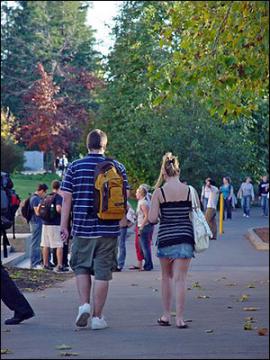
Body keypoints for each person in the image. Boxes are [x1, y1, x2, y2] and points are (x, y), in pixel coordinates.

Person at [60, 129, 129, 330]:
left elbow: (66, 198)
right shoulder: (117, 167)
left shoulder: (74, 167)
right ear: (104, 146)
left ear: (87, 145)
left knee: (81, 268)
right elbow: (124, 197)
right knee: (102, 273)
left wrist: (64, 226)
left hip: (82, 228)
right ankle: (98, 318)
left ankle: (84, 305)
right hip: (109, 230)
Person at [148, 152, 196, 329]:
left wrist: (162, 212)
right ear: (178, 170)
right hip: (185, 237)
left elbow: (152, 219)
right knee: (181, 279)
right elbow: (195, 214)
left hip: (166, 238)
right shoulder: (189, 190)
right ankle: (180, 318)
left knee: (166, 278)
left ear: (163, 173)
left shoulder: (159, 193)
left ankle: (166, 315)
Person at [40, 180, 68, 272]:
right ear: (59, 187)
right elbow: (58, 208)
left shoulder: (47, 196)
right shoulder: (58, 197)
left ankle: (45, 264)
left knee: (45, 244)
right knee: (59, 244)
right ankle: (60, 265)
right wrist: (65, 213)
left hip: (45, 223)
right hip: (55, 224)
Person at [29, 183, 48, 269]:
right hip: (36, 223)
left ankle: (37, 262)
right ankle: (34, 263)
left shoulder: (34, 198)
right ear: (41, 191)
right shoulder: (35, 199)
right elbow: (37, 212)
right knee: (35, 243)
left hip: (36, 222)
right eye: (44, 192)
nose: (45, 194)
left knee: (37, 243)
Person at [135, 185, 154, 271]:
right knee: (143, 247)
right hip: (141, 225)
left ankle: (148, 265)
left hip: (144, 227)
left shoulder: (143, 203)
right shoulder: (141, 202)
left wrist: (141, 227)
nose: (135, 194)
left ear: (141, 194)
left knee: (145, 247)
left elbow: (146, 216)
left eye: (137, 192)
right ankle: (147, 264)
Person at [115, 201, 134, 272]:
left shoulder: (125, 202)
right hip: (121, 225)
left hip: (120, 225)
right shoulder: (124, 201)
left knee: (120, 245)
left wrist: (130, 222)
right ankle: (118, 264)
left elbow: (131, 212)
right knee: (119, 245)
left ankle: (119, 264)